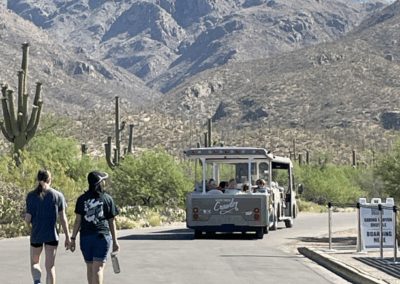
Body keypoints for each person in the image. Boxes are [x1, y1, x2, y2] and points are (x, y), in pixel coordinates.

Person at [69, 170, 120, 284]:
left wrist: (73, 238)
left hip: (86, 237)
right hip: (102, 236)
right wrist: (115, 241)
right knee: (98, 268)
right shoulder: (107, 199)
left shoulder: (82, 199)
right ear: (100, 182)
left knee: (90, 267)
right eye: (103, 180)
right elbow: (112, 222)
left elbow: (78, 221)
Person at [25, 169, 70, 284]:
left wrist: (28, 227)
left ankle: (37, 280)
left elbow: (28, 218)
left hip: (36, 235)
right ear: (49, 179)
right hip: (52, 235)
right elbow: (63, 219)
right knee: (50, 266)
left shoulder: (31, 196)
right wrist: (68, 237)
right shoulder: (58, 195)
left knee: (35, 262)